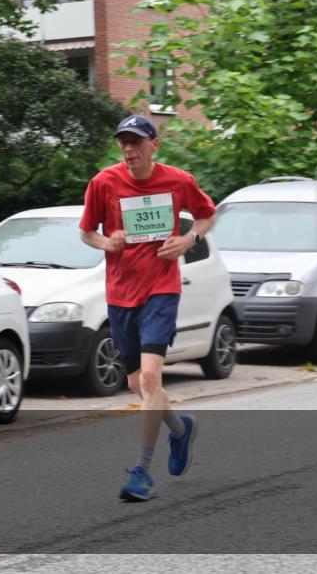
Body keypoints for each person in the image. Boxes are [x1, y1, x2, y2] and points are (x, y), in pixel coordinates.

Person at [78, 115, 216, 501]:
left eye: (136, 141)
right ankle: (180, 429)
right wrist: (106, 244)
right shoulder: (103, 183)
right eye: (123, 141)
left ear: (154, 145)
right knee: (136, 383)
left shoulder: (178, 180)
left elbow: (207, 215)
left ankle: (142, 470)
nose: (129, 149)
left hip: (161, 288)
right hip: (121, 294)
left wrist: (189, 241)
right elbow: (87, 231)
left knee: (151, 380)